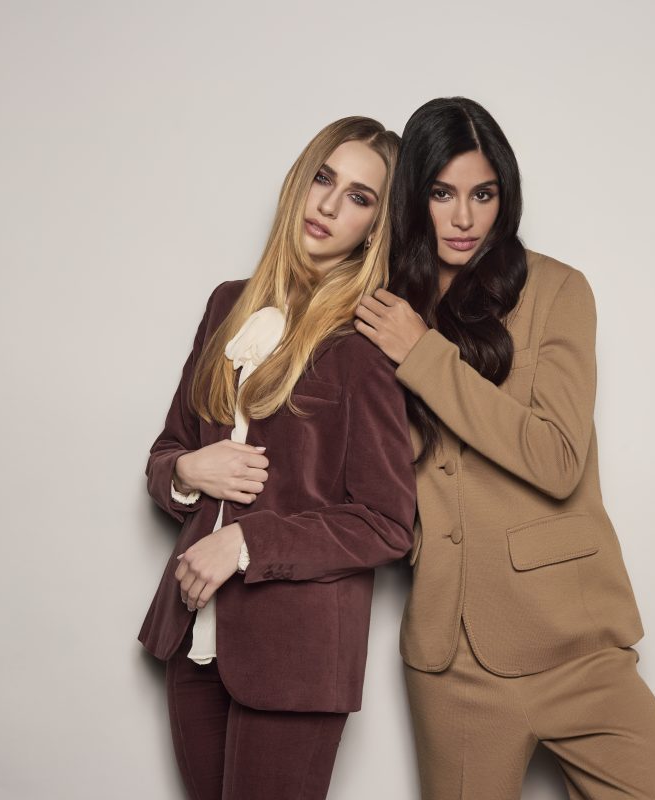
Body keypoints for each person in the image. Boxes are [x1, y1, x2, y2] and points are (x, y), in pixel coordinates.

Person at [355, 98, 655, 800]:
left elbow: (556, 457)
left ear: (504, 196)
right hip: (452, 658)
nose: (464, 218)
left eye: (482, 195)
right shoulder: (382, 306)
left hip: (573, 640)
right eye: (442, 194)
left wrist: (423, 356)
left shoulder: (556, 290)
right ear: (414, 196)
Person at [139, 116, 414, 800]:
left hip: (296, 654)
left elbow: (387, 522)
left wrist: (247, 543)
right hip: (194, 635)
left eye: (359, 197)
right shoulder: (227, 306)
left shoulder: (364, 343)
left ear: (376, 227)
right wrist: (185, 472)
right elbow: (167, 449)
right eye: (323, 178)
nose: (329, 205)